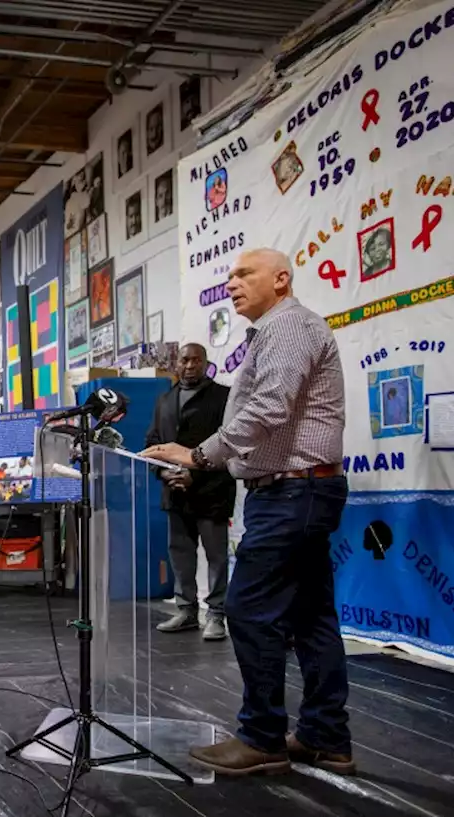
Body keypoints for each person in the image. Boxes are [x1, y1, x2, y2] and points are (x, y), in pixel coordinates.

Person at [143, 248, 351, 777]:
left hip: (291, 494)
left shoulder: (287, 327)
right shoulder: (278, 330)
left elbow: (270, 407)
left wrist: (199, 455)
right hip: (299, 490)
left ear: (280, 280)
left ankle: (262, 739)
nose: (231, 283)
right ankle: (325, 738)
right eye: (229, 275)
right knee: (310, 617)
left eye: (243, 274)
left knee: (251, 611)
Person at [144, 343, 235, 642]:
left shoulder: (224, 397)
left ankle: (217, 615)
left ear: (206, 363)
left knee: (216, 557)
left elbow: (230, 445)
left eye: (197, 360)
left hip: (212, 492)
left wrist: (193, 475)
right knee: (180, 556)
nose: (190, 365)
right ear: (177, 364)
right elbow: (153, 443)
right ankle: (185, 611)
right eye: (185, 360)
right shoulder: (164, 401)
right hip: (175, 495)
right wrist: (164, 472)